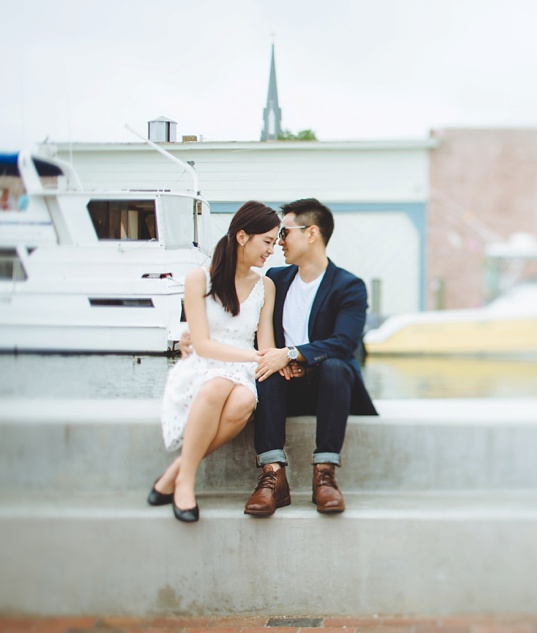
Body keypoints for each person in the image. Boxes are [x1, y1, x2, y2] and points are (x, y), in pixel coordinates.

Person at [244, 197, 378, 516]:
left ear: (311, 233)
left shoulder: (349, 286)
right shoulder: (274, 279)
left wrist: (293, 354)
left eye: (285, 233)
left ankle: (325, 475)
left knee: (336, 365)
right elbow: (249, 326)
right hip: (280, 389)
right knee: (266, 367)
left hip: (327, 390)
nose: (278, 243)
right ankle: (273, 477)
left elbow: (344, 343)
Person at [149, 201, 280, 523]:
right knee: (218, 385)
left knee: (244, 401)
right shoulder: (198, 279)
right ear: (242, 237)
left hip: (243, 371)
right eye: (267, 242)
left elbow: (266, 345)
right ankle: (185, 483)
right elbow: (203, 345)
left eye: (276, 243)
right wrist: (253, 356)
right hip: (204, 366)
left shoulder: (266, 286)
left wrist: (277, 359)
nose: (271, 252)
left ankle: (175, 473)